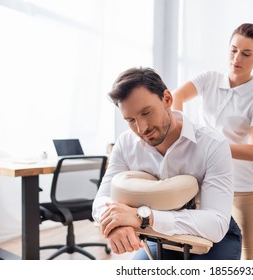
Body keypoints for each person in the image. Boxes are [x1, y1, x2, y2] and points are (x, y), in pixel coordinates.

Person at [92, 67, 241, 260]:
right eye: (130, 120)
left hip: (212, 238)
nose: (142, 128)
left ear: (168, 99)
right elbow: (101, 199)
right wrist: (114, 223)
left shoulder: (213, 145)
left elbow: (216, 224)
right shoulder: (126, 143)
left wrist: (142, 216)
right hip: (158, 235)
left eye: (146, 113)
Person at [172, 23, 253, 260]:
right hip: (204, 181)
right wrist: (182, 127)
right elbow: (175, 97)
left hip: (242, 187)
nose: (237, 58)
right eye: (233, 50)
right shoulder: (209, 79)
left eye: (246, 54)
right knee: (199, 246)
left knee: (252, 255)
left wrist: (210, 145)